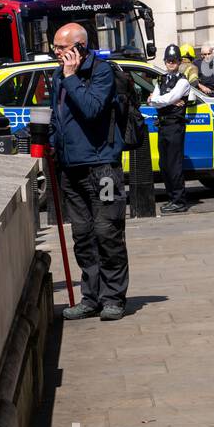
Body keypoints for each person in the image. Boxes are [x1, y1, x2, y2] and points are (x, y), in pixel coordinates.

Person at [49, 22, 129, 321]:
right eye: (54, 47)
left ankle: (113, 299)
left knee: (107, 231)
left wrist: (71, 77)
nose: (55, 53)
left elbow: (92, 109)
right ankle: (90, 297)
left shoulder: (102, 72)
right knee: (83, 235)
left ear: (79, 47)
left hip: (102, 167)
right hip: (71, 169)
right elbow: (59, 117)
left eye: (60, 47)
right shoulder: (59, 76)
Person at [149, 44, 193, 215]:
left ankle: (179, 201)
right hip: (163, 125)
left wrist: (159, 100)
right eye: (168, 60)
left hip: (175, 125)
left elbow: (168, 98)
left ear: (179, 61)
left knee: (174, 165)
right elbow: (156, 99)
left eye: (174, 60)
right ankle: (171, 198)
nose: (171, 63)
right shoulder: (160, 79)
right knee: (164, 165)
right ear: (165, 61)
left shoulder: (182, 81)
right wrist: (160, 100)